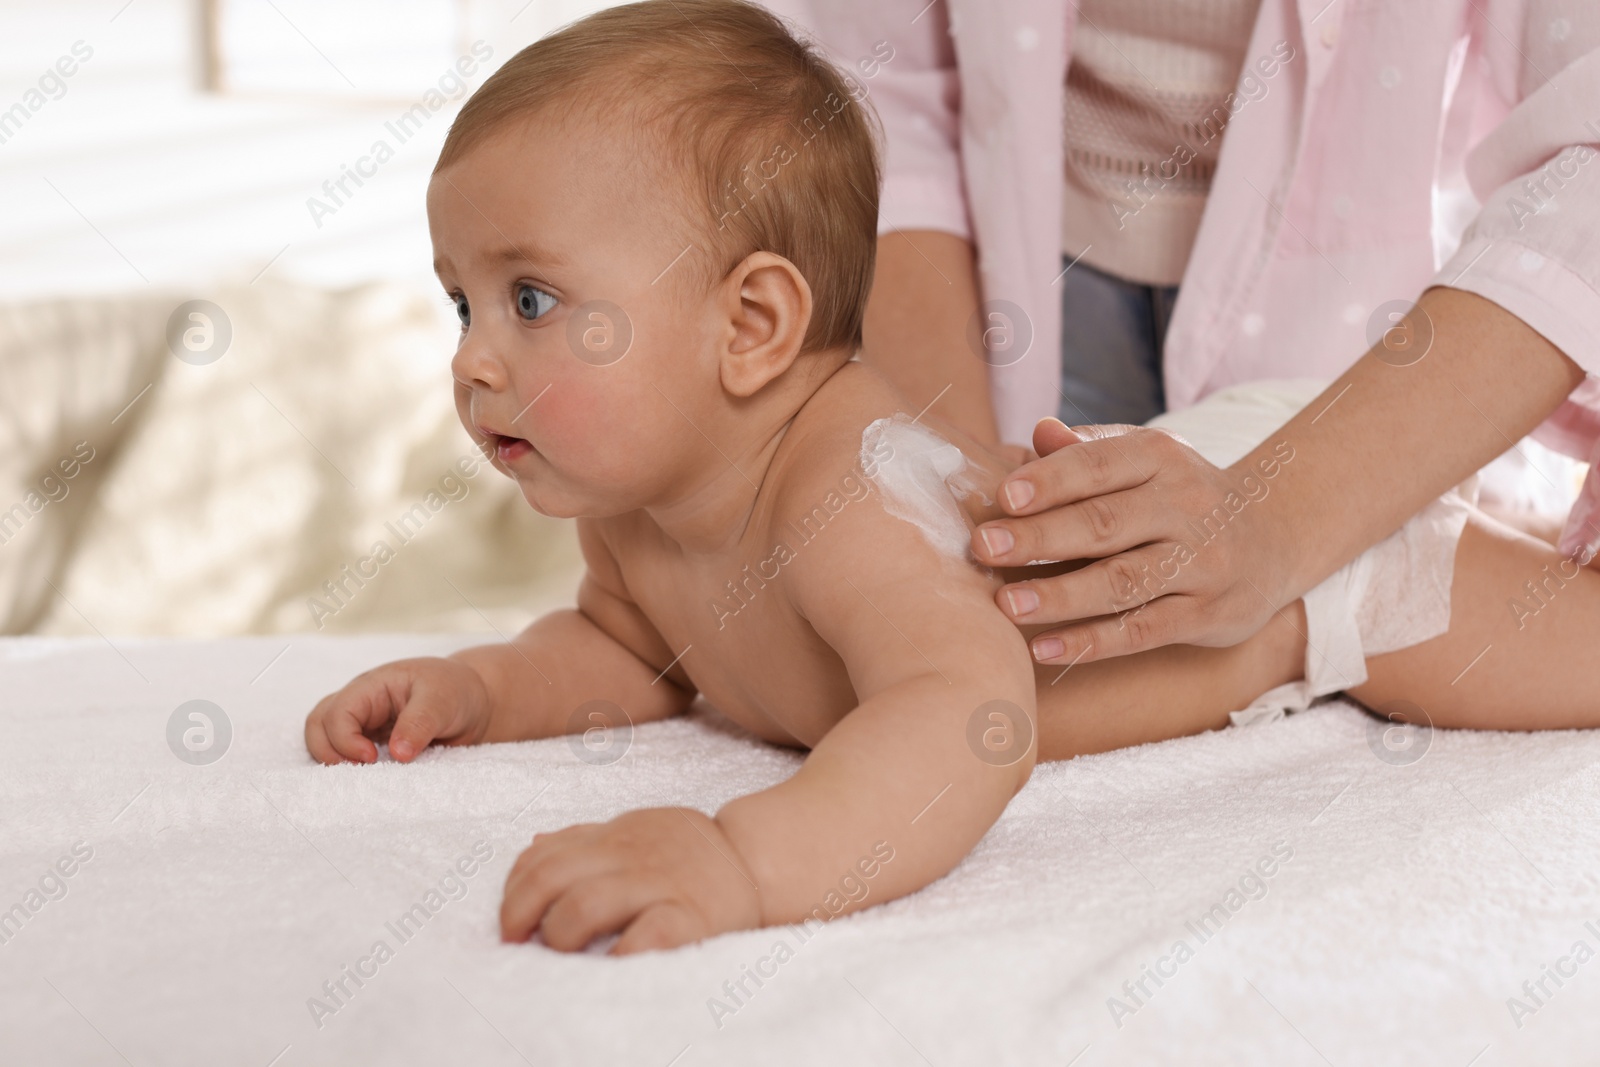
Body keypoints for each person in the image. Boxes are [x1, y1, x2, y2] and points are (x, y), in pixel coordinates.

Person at [305, 0, 1600, 954]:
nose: (474, 363)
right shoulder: (644, 525)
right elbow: (628, 646)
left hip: (1311, 551)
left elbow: (967, 717)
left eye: (531, 300)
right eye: (458, 302)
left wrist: (741, 857)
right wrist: (481, 688)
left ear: (751, 324)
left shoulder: (842, 497)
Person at [781, 0, 1600, 667]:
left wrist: (1284, 531)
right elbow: (878, 82)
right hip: (1002, 294)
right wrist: (947, 472)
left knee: (1376, 599)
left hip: (1341, 378)